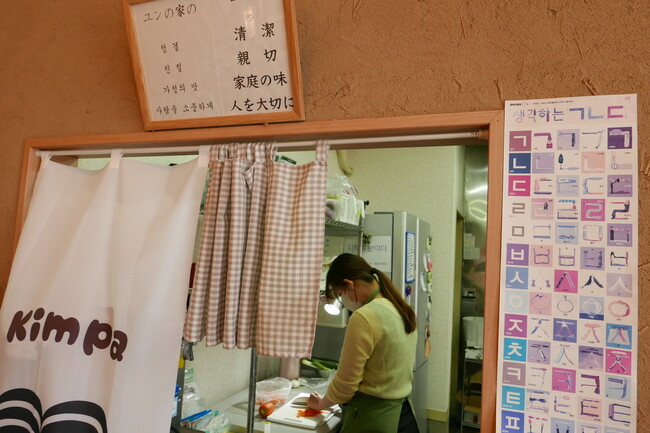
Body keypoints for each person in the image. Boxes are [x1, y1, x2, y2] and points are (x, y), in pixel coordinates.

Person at [308, 253, 420, 433]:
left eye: (340, 294)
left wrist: (321, 403)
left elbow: (346, 384)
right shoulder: (400, 308)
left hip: (375, 418)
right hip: (404, 414)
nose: (343, 302)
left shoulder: (364, 317)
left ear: (349, 285)